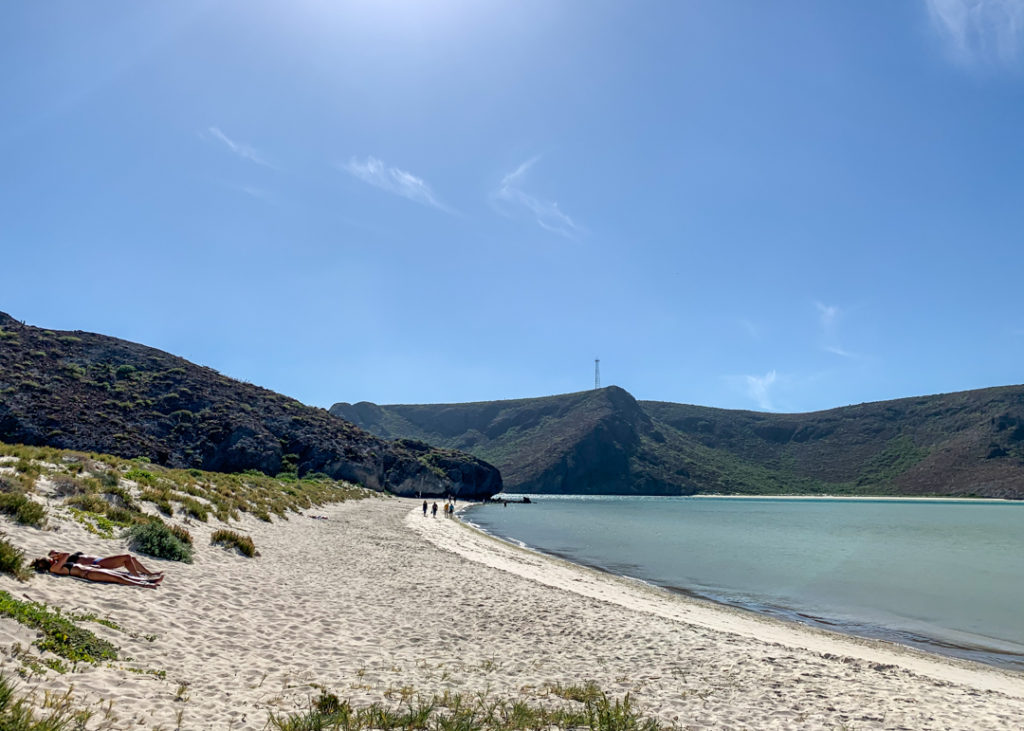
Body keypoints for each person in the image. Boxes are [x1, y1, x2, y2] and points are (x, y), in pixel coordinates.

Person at [32, 551, 163, 589]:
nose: (54, 559)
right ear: (49, 563)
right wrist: (57, 556)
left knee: (122, 576)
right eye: (51, 559)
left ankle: (150, 581)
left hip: (90, 570)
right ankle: (146, 585)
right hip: (88, 574)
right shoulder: (55, 568)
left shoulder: (55, 567)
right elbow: (65, 554)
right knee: (119, 578)